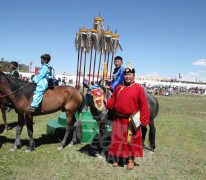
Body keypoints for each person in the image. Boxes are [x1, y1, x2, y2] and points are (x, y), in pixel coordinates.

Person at [105, 65, 150, 170]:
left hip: (132, 119)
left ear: (133, 76)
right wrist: (106, 101)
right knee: (117, 139)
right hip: (118, 118)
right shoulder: (119, 87)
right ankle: (116, 159)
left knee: (131, 141)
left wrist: (143, 119)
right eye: (126, 75)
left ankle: (130, 160)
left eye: (129, 75)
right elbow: (113, 100)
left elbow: (143, 105)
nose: (127, 77)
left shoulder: (138, 88)